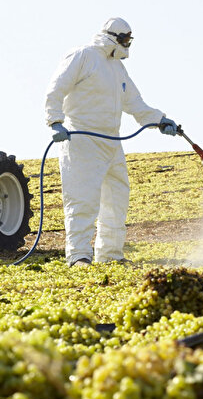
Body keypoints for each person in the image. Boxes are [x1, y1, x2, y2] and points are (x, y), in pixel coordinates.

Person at [44, 17, 178, 267]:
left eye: (129, 40)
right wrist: (55, 121)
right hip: (82, 139)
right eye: (125, 39)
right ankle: (78, 256)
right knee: (82, 200)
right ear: (113, 37)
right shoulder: (82, 56)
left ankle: (110, 254)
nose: (127, 44)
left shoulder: (117, 68)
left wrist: (159, 120)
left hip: (112, 142)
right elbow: (56, 89)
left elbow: (134, 102)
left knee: (116, 199)